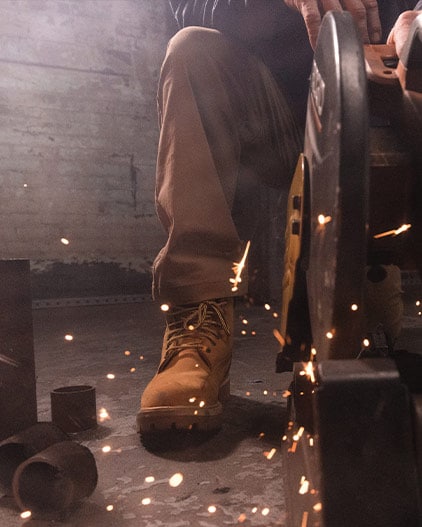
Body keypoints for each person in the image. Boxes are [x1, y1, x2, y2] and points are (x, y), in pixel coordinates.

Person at [137, 0, 422, 437]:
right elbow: (187, 6)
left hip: (386, 95)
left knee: (368, 332)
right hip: (275, 107)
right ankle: (197, 321)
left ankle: (375, 266)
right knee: (191, 50)